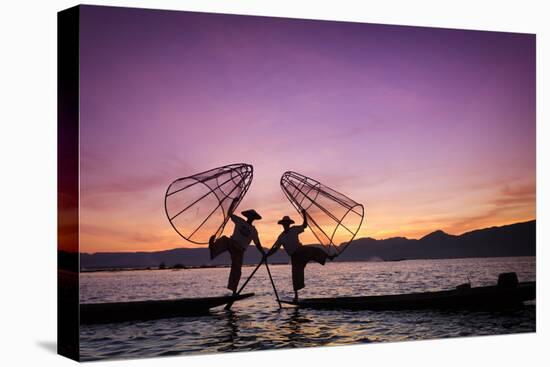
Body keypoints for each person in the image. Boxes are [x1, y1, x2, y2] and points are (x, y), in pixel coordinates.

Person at [266, 209, 335, 300]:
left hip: (301, 250)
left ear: (289, 224)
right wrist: (266, 255)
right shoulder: (281, 237)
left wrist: (304, 214)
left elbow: (304, 226)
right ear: (283, 224)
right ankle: (296, 296)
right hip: (294, 256)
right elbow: (275, 249)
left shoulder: (294, 229)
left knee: (315, 250)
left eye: (287, 223)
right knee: (296, 275)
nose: (286, 225)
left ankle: (329, 256)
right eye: (285, 223)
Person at [209, 199, 265, 295]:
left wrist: (264, 253)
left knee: (237, 269)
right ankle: (213, 248)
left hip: (240, 250)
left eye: (252, 217)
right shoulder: (240, 221)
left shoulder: (253, 230)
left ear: (254, 218)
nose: (251, 218)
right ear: (248, 216)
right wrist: (234, 202)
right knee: (224, 239)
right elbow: (230, 213)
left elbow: (257, 244)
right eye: (250, 216)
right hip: (232, 242)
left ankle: (234, 291)